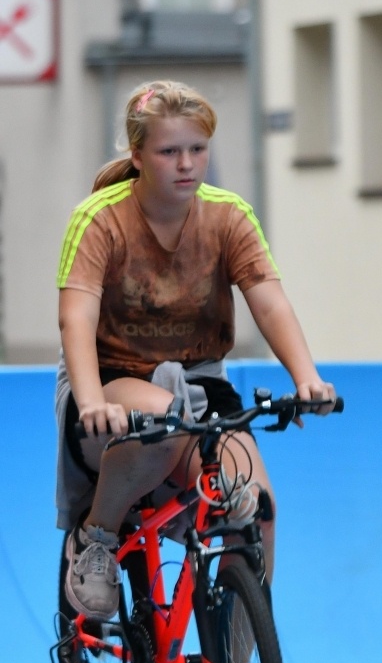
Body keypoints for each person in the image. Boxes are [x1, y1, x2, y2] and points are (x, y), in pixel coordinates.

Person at [57, 80, 335, 624]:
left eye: (197, 150)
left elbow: (270, 302)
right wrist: (91, 400)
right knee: (166, 424)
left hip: (200, 380)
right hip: (112, 379)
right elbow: (76, 316)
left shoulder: (229, 217)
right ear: (137, 155)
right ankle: (97, 536)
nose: (186, 164)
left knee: (258, 509)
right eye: (168, 152)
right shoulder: (99, 219)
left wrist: (307, 379)